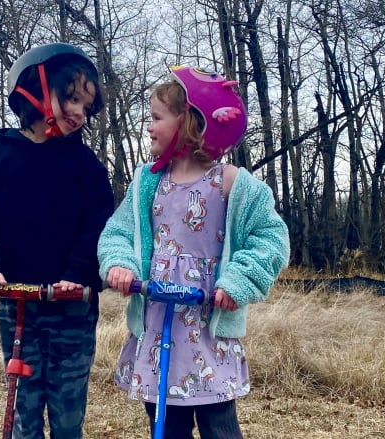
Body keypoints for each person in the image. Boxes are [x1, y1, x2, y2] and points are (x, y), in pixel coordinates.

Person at [97, 66, 290, 438]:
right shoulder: (148, 183)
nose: (149, 127)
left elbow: (271, 238)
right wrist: (120, 264)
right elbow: (118, 233)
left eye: (156, 118)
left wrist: (239, 281)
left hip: (207, 327)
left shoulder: (233, 184)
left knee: (219, 424)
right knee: (165, 423)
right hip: (157, 323)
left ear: (190, 122)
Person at [0, 42, 115, 439]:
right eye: (72, 98)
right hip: (18, 304)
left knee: (66, 411)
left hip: (72, 307)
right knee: (24, 409)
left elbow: (99, 228)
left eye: (87, 107)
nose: (79, 113)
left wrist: (80, 274)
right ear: (36, 89)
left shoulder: (86, 167)